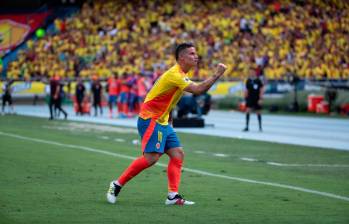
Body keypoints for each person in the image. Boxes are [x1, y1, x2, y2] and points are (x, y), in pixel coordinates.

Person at [106, 43, 227, 206]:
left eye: (196, 53)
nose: (196, 56)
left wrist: (169, 119)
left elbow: (167, 98)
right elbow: (198, 90)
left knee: (178, 154)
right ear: (182, 58)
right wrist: (217, 74)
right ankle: (117, 184)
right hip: (151, 119)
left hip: (162, 121)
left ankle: (172, 196)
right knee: (151, 158)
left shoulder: (179, 74)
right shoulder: (175, 74)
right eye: (192, 54)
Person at [243, 67, 264, 132]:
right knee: (248, 111)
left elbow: (261, 89)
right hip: (250, 98)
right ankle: (247, 126)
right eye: (250, 72)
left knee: (258, 112)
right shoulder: (248, 80)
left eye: (252, 72)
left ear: (255, 72)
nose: (251, 73)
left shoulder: (258, 80)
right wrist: (245, 97)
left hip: (257, 98)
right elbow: (246, 89)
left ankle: (260, 127)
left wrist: (260, 98)